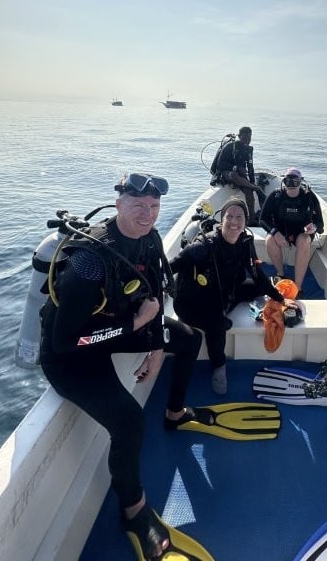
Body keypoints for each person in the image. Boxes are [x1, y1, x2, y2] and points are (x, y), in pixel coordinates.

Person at [39, 173, 204, 560]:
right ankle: (133, 511)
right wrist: (136, 326)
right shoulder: (90, 263)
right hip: (70, 355)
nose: (147, 214)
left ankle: (175, 412)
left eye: (154, 207)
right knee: (129, 420)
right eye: (137, 206)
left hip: (119, 325)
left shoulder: (150, 238)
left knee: (189, 339)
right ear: (117, 205)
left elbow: (157, 293)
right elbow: (66, 340)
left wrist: (158, 345)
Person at [171, 197, 298, 394]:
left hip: (226, 292)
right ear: (222, 220)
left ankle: (232, 308)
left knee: (258, 287)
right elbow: (170, 268)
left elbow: (256, 275)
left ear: (246, 222)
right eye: (229, 216)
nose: (234, 221)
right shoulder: (203, 247)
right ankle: (219, 366)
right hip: (194, 303)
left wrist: (280, 299)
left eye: (240, 217)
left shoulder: (245, 242)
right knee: (218, 324)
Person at [259, 167, 324, 297]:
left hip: (302, 231)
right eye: (288, 181)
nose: (292, 186)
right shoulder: (276, 196)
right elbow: (262, 219)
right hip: (281, 229)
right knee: (270, 240)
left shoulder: (309, 197)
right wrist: (275, 232)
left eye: (295, 182)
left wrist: (314, 228)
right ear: (284, 182)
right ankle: (281, 274)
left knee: (304, 240)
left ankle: (297, 287)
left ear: (301, 182)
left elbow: (320, 223)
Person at [213, 126, 266, 222]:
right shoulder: (230, 146)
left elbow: (250, 167)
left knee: (249, 190)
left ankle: (252, 219)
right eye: (244, 138)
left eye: (249, 138)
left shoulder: (249, 149)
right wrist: (236, 167)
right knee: (233, 174)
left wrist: (252, 182)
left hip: (240, 177)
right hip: (226, 173)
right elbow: (220, 165)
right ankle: (257, 189)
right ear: (239, 136)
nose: (247, 140)